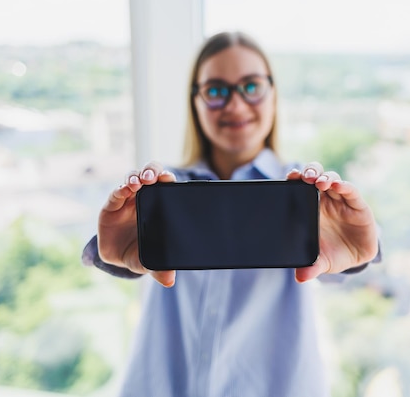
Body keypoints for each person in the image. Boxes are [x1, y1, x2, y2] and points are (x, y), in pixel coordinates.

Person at [82, 31, 381, 397]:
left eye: (251, 86)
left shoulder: (310, 194)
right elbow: (111, 251)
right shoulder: (161, 193)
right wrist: (111, 252)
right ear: (196, 101)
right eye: (217, 91)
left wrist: (358, 251)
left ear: (273, 93)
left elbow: (351, 255)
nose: (236, 106)